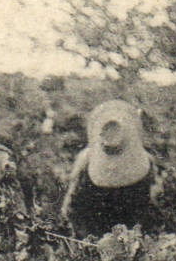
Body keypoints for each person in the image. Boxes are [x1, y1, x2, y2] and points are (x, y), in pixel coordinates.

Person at [61, 100, 159, 236]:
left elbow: (150, 206)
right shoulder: (85, 161)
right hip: (93, 228)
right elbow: (71, 208)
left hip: (131, 229)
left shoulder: (145, 162)